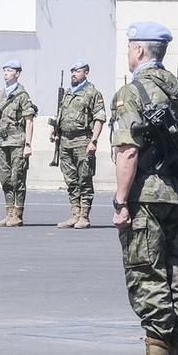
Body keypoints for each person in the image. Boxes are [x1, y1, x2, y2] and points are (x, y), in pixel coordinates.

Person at [108, 22, 178, 355]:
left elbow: (128, 151)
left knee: (146, 274)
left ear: (138, 50)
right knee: (173, 274)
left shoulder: (131, 92)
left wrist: (121, 201)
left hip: (145, 197)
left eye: (129, 47)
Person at [51, 59, 106, 229]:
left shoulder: (92, 93)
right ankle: (75, 214)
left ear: (86, 72)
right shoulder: (68, 92)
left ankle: (84, 216)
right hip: (65, 142)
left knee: (85, 179)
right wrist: (56, 131)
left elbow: (99, 118)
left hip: (83, 141)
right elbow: (61, 114)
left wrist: (94, 141)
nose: (74, 74)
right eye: (72, 71)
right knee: (71, 180)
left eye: (77, 71)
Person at [0, 60, 37, 227]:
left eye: (9, 70)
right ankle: (9, 212)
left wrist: (28, 144)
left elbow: (29, 121)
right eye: (4, 70)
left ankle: (17, 214)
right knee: (5, 178)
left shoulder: (22, 95)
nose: (6, 73)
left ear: (17, 74)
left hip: (17, 141)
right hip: (2, 142)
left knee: (17, 178)